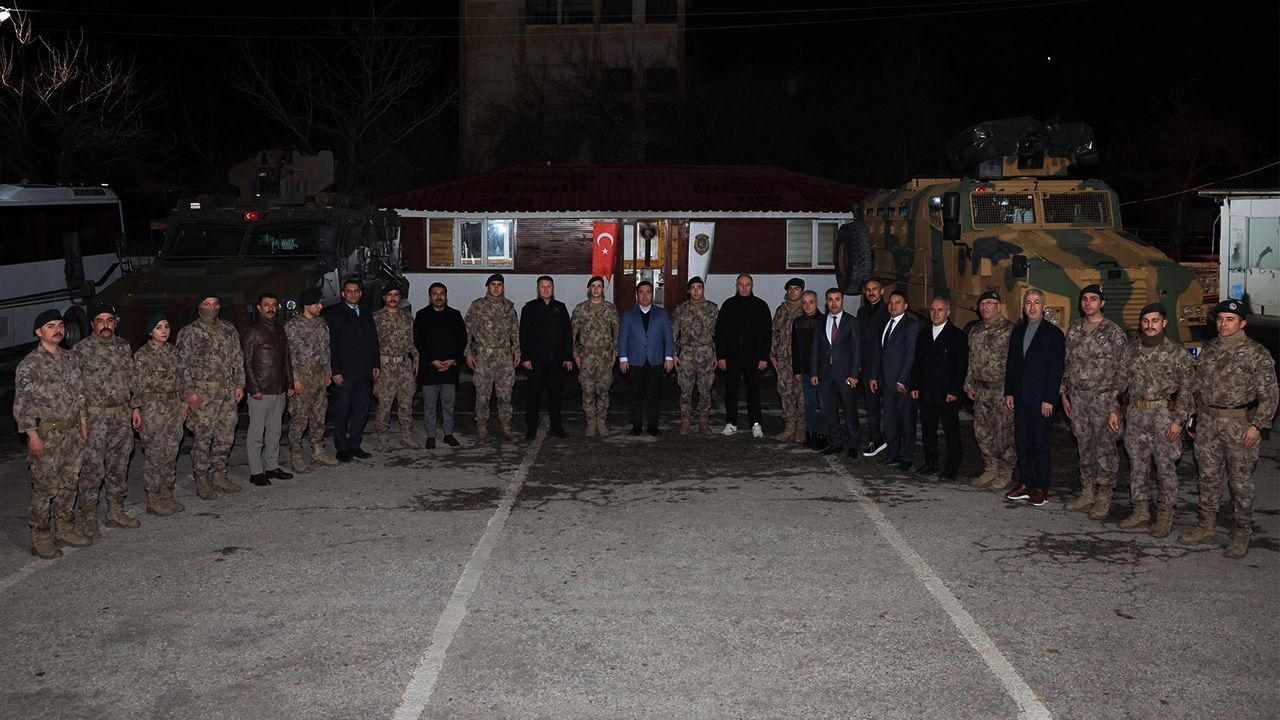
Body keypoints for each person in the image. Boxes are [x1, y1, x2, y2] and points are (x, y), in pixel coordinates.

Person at [1178, 299, 1277, 558]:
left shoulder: (1256, 353)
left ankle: (1242, 532)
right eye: (1220, 319)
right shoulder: (1209, 348)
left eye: (1230, 319)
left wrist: (1257, 426)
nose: (1223, 324)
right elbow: (1196, 387)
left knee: (1240, 482)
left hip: (1239, 425)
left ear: (1242, 323)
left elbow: (1270, 396)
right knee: (1208, 477)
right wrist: (1192, 418)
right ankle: (1206, 525)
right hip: (1208, 423)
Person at [1107, 304, 1193, 537]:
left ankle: (1165, 515)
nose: (1150, 325)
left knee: (1165, 468)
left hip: (1165, 417)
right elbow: (1118, 384)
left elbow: (1187, 391)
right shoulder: (1130, 351)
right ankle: (1141, 511)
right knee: (1137, 466)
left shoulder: (1177, 353)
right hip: (1136, 415)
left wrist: (1179, 421)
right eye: (1146, 321)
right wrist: (1114, 410)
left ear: (1164, 323)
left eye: (1155, 321)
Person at [14, 310, 91, 558]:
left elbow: (80, 393)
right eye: (50, 326)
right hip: (48, 435)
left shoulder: (71, 358)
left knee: (70, 483)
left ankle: (65, 529)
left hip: (72, 433)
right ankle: (41, 537)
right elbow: (23, 405)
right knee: (45, 487)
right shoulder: (30, 365)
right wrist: (32, 436)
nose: (57, 330)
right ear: (39, 332)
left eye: (60, 325)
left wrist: (83, 420)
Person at [71, 301, 142, 534]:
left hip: (121, 416)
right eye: (100, 321)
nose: (105, 325)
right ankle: (89, 515)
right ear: (92, 324)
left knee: (119, 466)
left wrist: (136, 408)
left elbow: (133, 379)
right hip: (94, 418)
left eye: (109, 320)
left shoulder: (123, 346)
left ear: (116, 323)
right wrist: (81, 418)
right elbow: (75, 388)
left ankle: (115, 511)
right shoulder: (81, 350)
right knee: (92, 469)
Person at [1061, 284, 1127, 519]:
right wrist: (1064, 394)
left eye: (1093, 299)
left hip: (1103, 399)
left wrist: (1115, 406)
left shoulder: (1114, 333)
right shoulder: (1075, 330)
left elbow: (1122, 371)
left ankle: (1104, 495)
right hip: (1078, 399)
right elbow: (1067, 364)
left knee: (1105, 448)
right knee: (1084, 446)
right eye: (1085, 299)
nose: (1088, 303)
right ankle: (1087, 492)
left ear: (1102, 303)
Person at [176, 292, 245, 499]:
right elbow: (181, 366)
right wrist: (189, 393)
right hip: (203, 394)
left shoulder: (229, 329)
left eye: (215, 304)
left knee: (225, 435)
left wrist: (240, 384)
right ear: (199, 307)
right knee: (203, 438)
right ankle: (202, 479)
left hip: (227, 392)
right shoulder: (189, 332)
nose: (212, 307)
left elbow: (238, 358)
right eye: (207, 304)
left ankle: (220, 475)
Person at [1003, 288, 1066, 507]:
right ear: (1024, 307)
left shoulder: (1054, 334)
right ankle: (1025, 482)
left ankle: (1041, 487)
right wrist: (1009, 391)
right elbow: (1012, 364)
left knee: (1040, 443)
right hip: (1020, 397)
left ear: (1043, 307)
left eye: (1036, 302)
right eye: (1028, 303)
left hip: (1042, 400)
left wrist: (1050, 399)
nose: (1032, 307)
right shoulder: (1018, 331)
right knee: (1022, 442)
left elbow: (1056, 369)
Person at [132, 313, 195, 516]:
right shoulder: (143, 355)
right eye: (158, 327)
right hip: (153, 409)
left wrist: (184, 403)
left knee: (171, 452)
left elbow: (184, 379)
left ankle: (167, 494)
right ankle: (153, 498)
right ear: (150, 331)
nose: (164, 331)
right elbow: (135, 385)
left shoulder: (174, 352)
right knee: (155, 455)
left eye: (166, 326)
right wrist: (137, 409)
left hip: (173, 408)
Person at [910, 297, 969, 480]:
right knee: (928, 429)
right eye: (933, 310)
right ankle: (931, 462)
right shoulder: (924, 334)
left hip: (947, 392)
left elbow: (961, 367)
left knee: (951, 431)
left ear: (948, 312)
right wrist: (915, 385)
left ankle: (952, 466)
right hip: (927, 390)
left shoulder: (957, 336)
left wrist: (955, 390)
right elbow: (918, 362)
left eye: (940, 310)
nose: (936, 313)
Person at [964, 291, 1017, 491]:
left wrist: (1012, 390)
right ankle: (990, 468)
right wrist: (969, 383)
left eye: (990, 303)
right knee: (982, 431)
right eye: (982, 304)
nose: (985, 307)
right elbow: (972, 360)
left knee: (1004, 433)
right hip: (981, 390)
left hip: (1001, 390)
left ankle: (1005, 472)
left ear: (998, 306)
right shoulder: (975, 330)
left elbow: (1015, 364)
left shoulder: (1010, 330)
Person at [241, 293, 295, 486]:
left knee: (274, 432)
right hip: (261, 391)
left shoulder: (280, 330)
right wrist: (254, 388)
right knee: (256, 434)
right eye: (266, 305)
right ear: (259, 308)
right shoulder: (253, 331)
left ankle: (272, 466)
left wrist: (289, 384)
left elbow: (286, 359)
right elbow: (246, 362)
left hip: (279, 389)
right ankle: (256, 471)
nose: (270, 308)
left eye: (273, 305)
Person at [326, 278, 381, 461]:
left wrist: (376, 364)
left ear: (361, 293)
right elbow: (332, 345)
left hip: (364, 371)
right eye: (349, 291)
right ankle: (342, 448)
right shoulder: (334, 313)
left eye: (356, 291)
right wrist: (335, 371)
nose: (353, 294)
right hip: (345, 372)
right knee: (342, 412)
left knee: (361, 411)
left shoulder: (365, 311)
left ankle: (355, 445)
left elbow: (373, 340)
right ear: (343, 294)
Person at [285, 288, 339, 472]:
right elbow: (289, 356)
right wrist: (294, 380)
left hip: (319, 376)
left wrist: (327, 373)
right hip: (302, 377)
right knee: (300, 418)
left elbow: (326, 350)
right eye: (318, 303)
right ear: (307, 304)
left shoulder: (322, 324)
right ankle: (296, 455)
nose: (321, 306)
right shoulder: (293, 326)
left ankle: (318, 451)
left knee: (319, 416)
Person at [465, 273, 521, 442]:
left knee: (505, 395)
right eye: (493, 284)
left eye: (499, 285)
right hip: (484, 357)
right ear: (488, 287)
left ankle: (506, 426)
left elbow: (515, 332)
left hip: (504, 357)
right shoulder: (477, 306)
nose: (496, 288)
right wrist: (468, 352)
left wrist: (517, 351)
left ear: (503, 287)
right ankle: (482, 428)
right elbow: (468, 331)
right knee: (482, 395)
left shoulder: (509, 307)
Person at [715, 273, 772, 437]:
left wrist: (764, 357)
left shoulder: (761, 306)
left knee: (753, 392)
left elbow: (766, 334)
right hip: (731, 357)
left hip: (753, 358)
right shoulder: (728, 305)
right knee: (731, 392)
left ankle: (756, 424)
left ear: (752, 286)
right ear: (736, 286)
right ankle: (731, 423)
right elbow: (720, 333)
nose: (744, 287)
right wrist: (721, 356)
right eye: (741, 284)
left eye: (747, 285)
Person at [870, 290, 919, 471]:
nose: (893, 305)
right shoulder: (885, 324)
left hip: (902, 385)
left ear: (905, 306)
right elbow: (879, 354)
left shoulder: (911, 325)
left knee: (907, 422)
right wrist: (874, 376)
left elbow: (910, 355)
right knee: (890, 422)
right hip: (885, 383)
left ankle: (907, 456)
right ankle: (893, 454)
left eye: (897, 302)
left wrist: (901, 380)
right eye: (890, 302)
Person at [520, 275, 574, 439]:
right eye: (542, 286)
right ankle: (531, 429)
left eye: (549, 286)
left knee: (555, 396)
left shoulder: (560, 307)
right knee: (533, 396)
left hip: (557, 361)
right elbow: (524, 334)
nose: (546, 289)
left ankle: (557, 428)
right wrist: (525, 357)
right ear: (538, 289)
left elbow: (567, 334)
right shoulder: (529, 308)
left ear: (553, 288)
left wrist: (568, 357)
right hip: (536, 361)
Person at [414, 282, 467, 449]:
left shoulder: (455, 315)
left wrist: (453, 361)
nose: (438, 296)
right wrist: (433, 361)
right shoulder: (422, 315)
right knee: (429, 405)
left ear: (446, 296)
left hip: (450, 369)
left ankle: (448, 434)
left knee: (448, 404)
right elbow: (418, 341)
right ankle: (430, 435)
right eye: (435, 293)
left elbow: (462, 340)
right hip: (429, 368)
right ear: (430, 297)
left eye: (441, 293)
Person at [618, 280, 674, 435]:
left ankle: (652, 425)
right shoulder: (628, 314)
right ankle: (636, 425)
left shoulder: (661, 314)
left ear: (653, 295)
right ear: (637, 295)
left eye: (648, 292)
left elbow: (668, 337)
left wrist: (669, 357)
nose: (645, 295)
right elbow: (623, 337)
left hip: (655, 360)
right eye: (641, 292)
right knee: (635, 395)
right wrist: (623, 358)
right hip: (635, 360)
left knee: (653, 395)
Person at [810, 288, 861, 459]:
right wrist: (814, 372)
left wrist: (854, 374)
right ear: (826, 302)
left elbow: (857, 351)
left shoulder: (852, 322)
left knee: (849, 410)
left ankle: (853, 445)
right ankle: (836, 442)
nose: (834, 303)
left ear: (842, 300)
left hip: (846, 375)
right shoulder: (820, 323)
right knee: (829, 410)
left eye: (837, 299)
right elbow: (815, 349)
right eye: (830, 299)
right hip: (825, 375)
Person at [373, 282, 420, 451]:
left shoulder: (407, 318)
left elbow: (413, 341)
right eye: (389, 295)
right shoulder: (376, 318)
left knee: (406, 403)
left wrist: (416, 358)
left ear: (400, 298)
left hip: (404, 366)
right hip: (385, 366)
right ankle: (383, 438)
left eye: (396, 295)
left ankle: (407, 435)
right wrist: (374, 366)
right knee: (384, 404)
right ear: (384, 298)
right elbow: (370, 345)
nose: (393, 298)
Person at [571, 276, 619, 436]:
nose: (596, 289)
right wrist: (575, 354)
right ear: (589, 289)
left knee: (603, 390)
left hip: (605, 357)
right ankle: (591, 422)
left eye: (599, 286)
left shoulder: (610, 309)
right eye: (593, 286)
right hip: (586, 357)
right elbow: (573, 335)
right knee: (588, 390)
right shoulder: (580, 309)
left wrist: (615, 353)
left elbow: (616, 333)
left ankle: (601, 421)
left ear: (603, 289)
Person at [671, 276, 718, 434]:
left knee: (705, 389)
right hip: (687, 354)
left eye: (699, 287)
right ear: (688, 291)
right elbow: (673, 334)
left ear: (703, 289)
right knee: (685, 389)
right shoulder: (681, 310)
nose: (696, 291)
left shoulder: (712, 309)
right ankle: (685, 421)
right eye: (693, 288)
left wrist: (717, 354)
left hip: (706, 353)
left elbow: (719, 334)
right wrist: (673, 354)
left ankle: (703, 421)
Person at [770, 278, 807, 442]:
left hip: (801, 360)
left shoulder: (806, 308)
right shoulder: (781, 310)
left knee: (801, 394)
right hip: (783, 359)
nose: (792, 291)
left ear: (802, 291)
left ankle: (801, 427)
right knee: (785, 392)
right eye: (790, 288)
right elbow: (774, 333)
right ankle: (790, 425)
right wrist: (772, 355)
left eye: (796, 288)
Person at [858, 278, 889, 457]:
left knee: (890, 407)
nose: (871, 292)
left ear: (882, 291)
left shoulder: (889, 310)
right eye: (868, 289)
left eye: (874, 289)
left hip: (885, 368)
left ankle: (893, 441)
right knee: (871, 406)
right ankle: (876, 439)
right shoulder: (861, 312)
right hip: (867, 368)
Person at [791, 290, 824, 448]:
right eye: (804, 303)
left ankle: (823, 435)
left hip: (822, 370)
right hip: (804, 369)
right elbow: (795, 347)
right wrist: (797, 370)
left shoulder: (825, 321)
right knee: (809, 404)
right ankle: (811, 434)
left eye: (811, 302)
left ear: (817, 303)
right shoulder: (798, 322)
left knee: (823, 404)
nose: (807, 306)